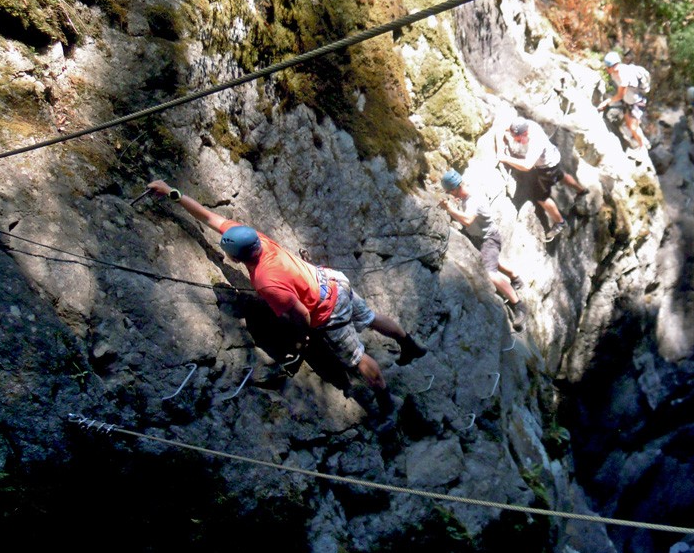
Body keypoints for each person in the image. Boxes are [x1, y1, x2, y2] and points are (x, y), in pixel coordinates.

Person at [146, 180, 426, 427]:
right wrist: (172, 192)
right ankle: (408, 344)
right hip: (334, 282)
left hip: (328, 310)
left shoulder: (266, 281)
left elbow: (301, 313)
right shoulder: (256, 238)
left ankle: (386, 403)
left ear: (233, 258)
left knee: (356, 358)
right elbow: (208, 217)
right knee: (370, 317)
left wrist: (303, 337)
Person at [438, 169, 528, 330]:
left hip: (488, 239)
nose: (450, 195)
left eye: (450, 192)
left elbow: (467, 219)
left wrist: (449, 209)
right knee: (493, 261)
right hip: (485, 237)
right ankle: (515, 278)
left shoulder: (473, 200)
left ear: (454, 188)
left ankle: (519, 305)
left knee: (490, 273)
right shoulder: (468, 194)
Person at [496, 117, 587, 242]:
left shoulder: (535, 142)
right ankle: (581, 191)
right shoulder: (525, 124)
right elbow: (501, 126)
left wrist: (504, 158)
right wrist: (501, 146)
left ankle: (560, 222)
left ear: (525, 134)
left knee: (541, 198)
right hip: (554, 157)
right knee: (560, 175)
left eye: (517, 139)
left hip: (547, 168)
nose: (515, 140)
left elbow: (527, 166)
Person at [598, 50, 650, 151]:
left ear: (610, 67)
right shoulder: (616, 72)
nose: (607, 70)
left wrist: (607, 102)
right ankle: (641, 140)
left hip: (637, 102)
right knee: (629, 122)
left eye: (607, 67)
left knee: (633, 127)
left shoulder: (624, 75)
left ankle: (642, 147)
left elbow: (620, 95)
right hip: (629, 100)